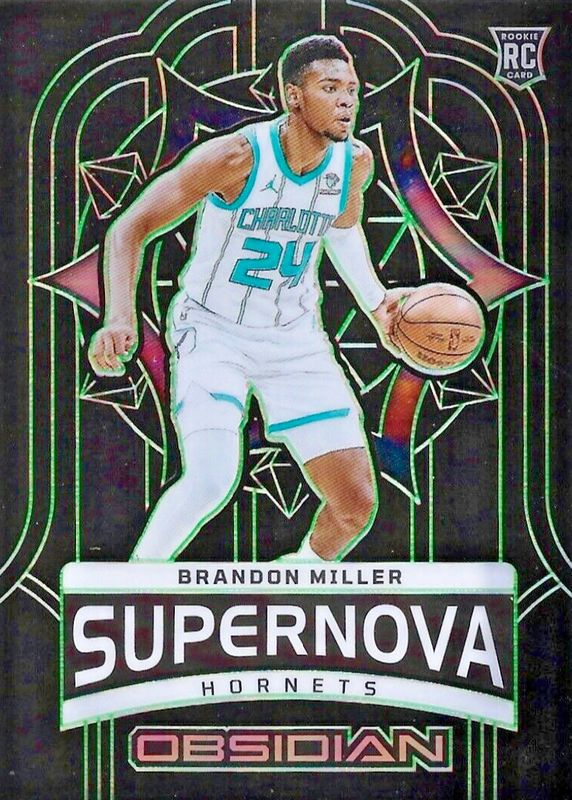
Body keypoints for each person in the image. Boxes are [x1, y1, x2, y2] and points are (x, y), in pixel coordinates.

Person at [88, 34, 408, 563]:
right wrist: (119, 316)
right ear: (293, 96)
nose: (347, 101)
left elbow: (341, 228)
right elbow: (130, 227)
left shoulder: (353, 162)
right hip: (212, 331)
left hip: (295, 340)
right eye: (331, 88)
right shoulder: (235, 157)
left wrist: (377, 305)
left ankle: (294, 580)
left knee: (355, 507)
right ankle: (136, 584)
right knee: (211, 478)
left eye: (352, 89)